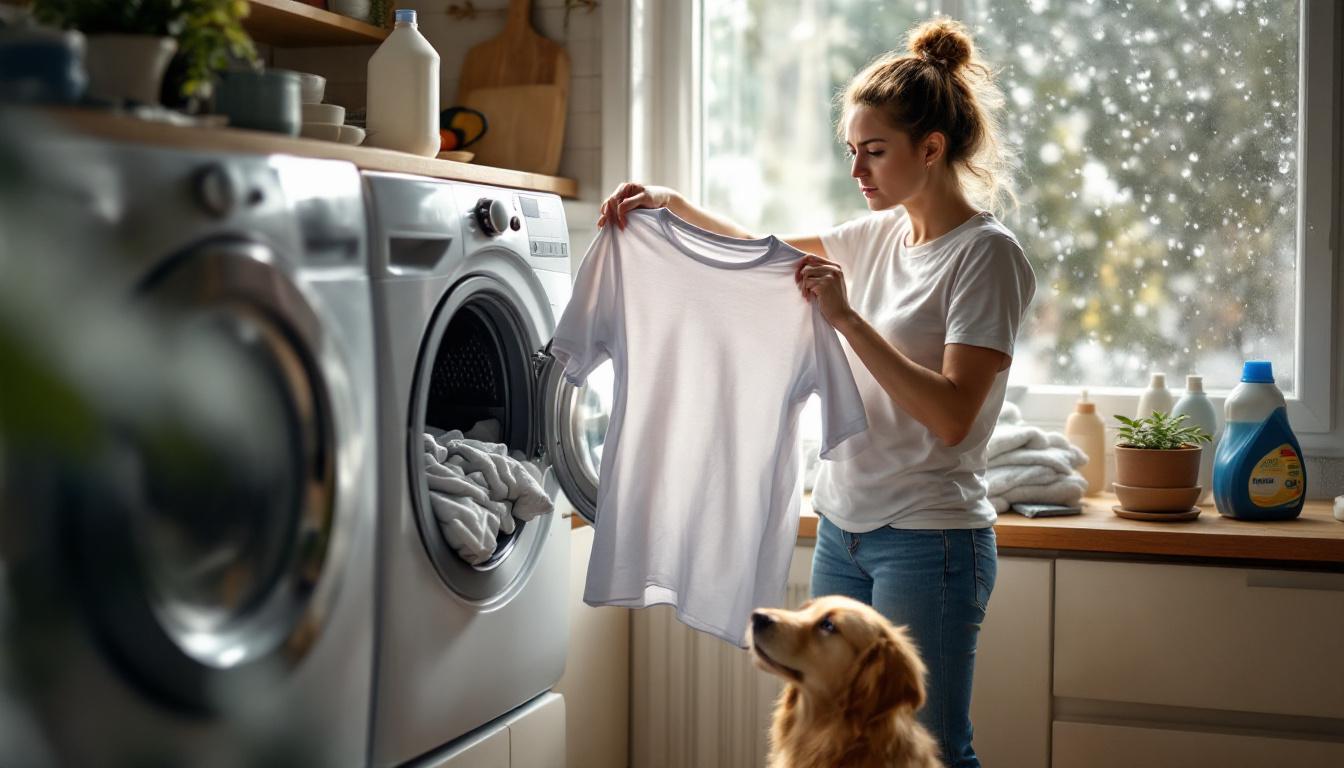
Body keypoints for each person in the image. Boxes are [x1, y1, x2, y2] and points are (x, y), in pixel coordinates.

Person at [597, 17, 1035, 768]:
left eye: (875, 151)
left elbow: (954, 417)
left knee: (926, 747)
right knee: (823, 739)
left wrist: (848, 320)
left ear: (931, 149)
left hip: (929, 541)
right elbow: (760, 255)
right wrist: (671, 206)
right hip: (843, 526)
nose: (858, 170)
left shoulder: (986, 258)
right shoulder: (881, 235)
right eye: (851, 152)